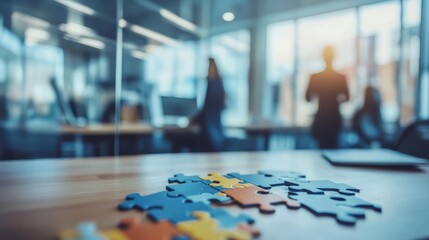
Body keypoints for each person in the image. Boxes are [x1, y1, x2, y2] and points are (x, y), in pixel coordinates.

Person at [306, 46, 349, 149]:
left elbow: (307, 97)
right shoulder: (340, 78)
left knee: (321, 150)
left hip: (321, 117)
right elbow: (347, 98)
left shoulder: (315, 77)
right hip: (334, 118)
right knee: (333, 149)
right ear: (334, 56)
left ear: (323, 57)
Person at [190, 58, 226, 152]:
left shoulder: (213, 84)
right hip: (215, 131)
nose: (206, 71)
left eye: (208, 68)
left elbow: (207, 109)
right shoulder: (218, 83)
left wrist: (194, 119)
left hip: (209, 132)